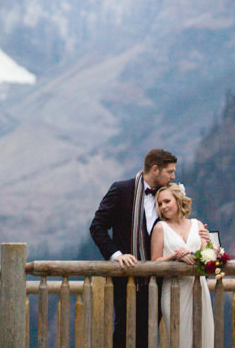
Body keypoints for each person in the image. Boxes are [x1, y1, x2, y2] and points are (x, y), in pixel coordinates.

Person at [90, 148, 178, 348]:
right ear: (155, 169)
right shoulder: (121, 190)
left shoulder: (167, 196)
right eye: (169, 172)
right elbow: (97, 227)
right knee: (124, 333)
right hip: (127, 279)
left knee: (149, 336)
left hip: (158, 281)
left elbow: (176, 227)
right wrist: (116, 255)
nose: (173, 176)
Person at [151, 183, 214, 348]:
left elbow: (208, 257)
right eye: (159, 204)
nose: (163, 207)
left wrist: (209, 243)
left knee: (204, 337)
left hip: (199, 288)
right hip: (173, 290)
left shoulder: (197, 224)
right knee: (179, 340)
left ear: (178, 200)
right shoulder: (160, 228)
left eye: (166, 201)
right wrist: (174, 256)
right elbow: (154, 262)